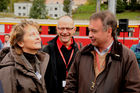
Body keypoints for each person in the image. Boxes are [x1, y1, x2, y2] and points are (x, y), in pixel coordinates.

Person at [64, 11, 140, 93]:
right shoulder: (82, 54)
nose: (90, 35)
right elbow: (70, 86)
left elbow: (133, 90)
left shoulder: (127, 56)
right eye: (89, 30)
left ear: (109, 31)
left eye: (94, 31)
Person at [0, 20, 49, 93]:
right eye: (32, 35)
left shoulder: (40, 63)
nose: (38, 37)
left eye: (38, 34)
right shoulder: (8, 70)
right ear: (20, 43)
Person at [43, 16, 82, 93]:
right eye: (61, 28)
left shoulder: (80, 50)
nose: (64, 32)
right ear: (57, 29)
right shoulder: (47, 50)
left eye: (68, 28)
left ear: (74, 30)